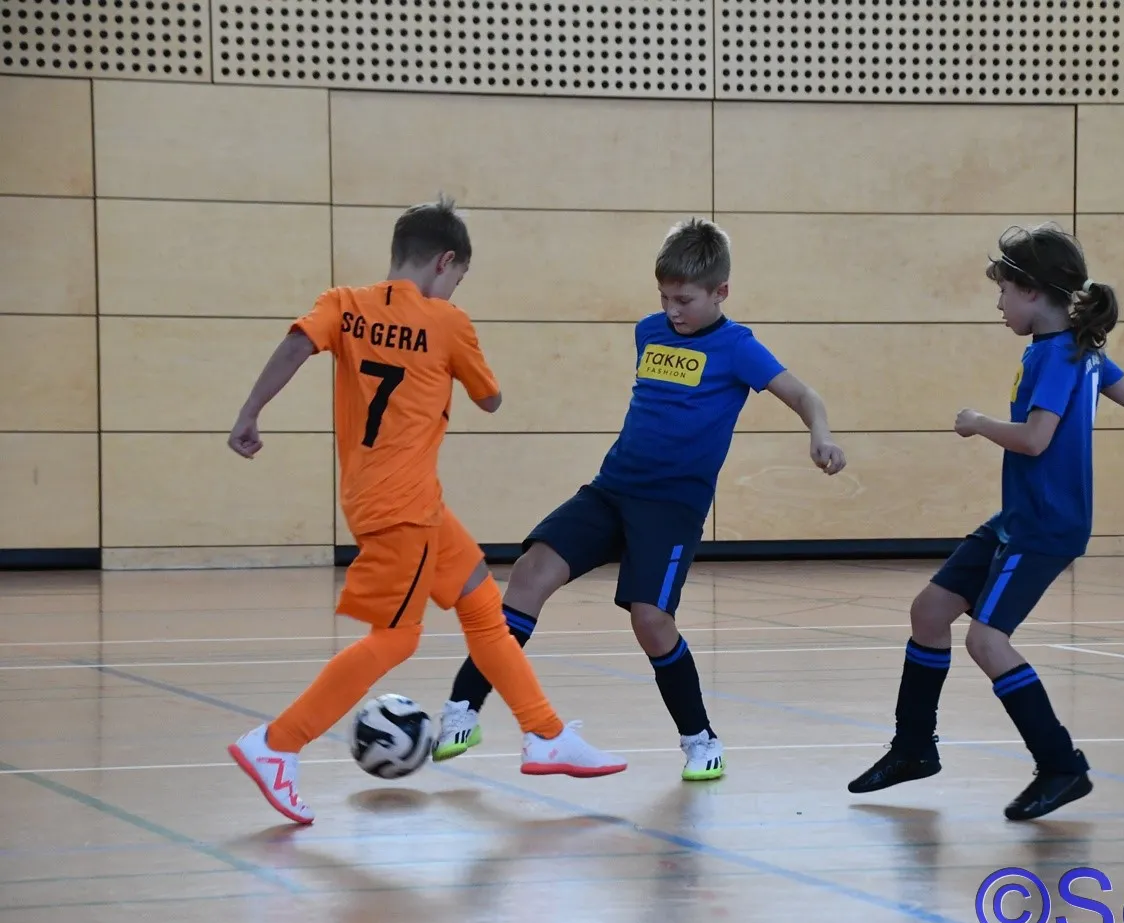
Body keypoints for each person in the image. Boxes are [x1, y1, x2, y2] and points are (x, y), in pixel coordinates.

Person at [225, 198, 626, 825]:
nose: (456, 287)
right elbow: (490, 399)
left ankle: (545, 734)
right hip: (403, 507)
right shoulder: (447, 321)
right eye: (459, 276)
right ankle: (277, 743)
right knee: (395, 638)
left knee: (483, 608)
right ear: (445, 262)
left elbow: (295, 345)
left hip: (390, 499)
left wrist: (250, 413)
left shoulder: (342, 303)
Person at [433, 217, 847, 782]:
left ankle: (701, 740)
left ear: (721, 292)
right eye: (664, 297)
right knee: (529, 573)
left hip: (672, 507)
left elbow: (803, 394)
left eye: (685, 300)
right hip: (613, 489)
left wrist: (820, 433)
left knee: (651, 620)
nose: (673, 310)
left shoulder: (738, 348)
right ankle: (463, 708)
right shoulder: (649, 333)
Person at [847, 223, 1124, 821]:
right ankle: (913, 748)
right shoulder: (1076, 349)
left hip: (1046, 525)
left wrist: (978, 423)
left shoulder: (1058, 355)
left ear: (1031, 291)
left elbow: (1034, 439)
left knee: (987, 640)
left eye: (1002, 291)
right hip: (1019, 517)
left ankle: (1061, 765)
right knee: (930, 612)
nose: (998, 304)